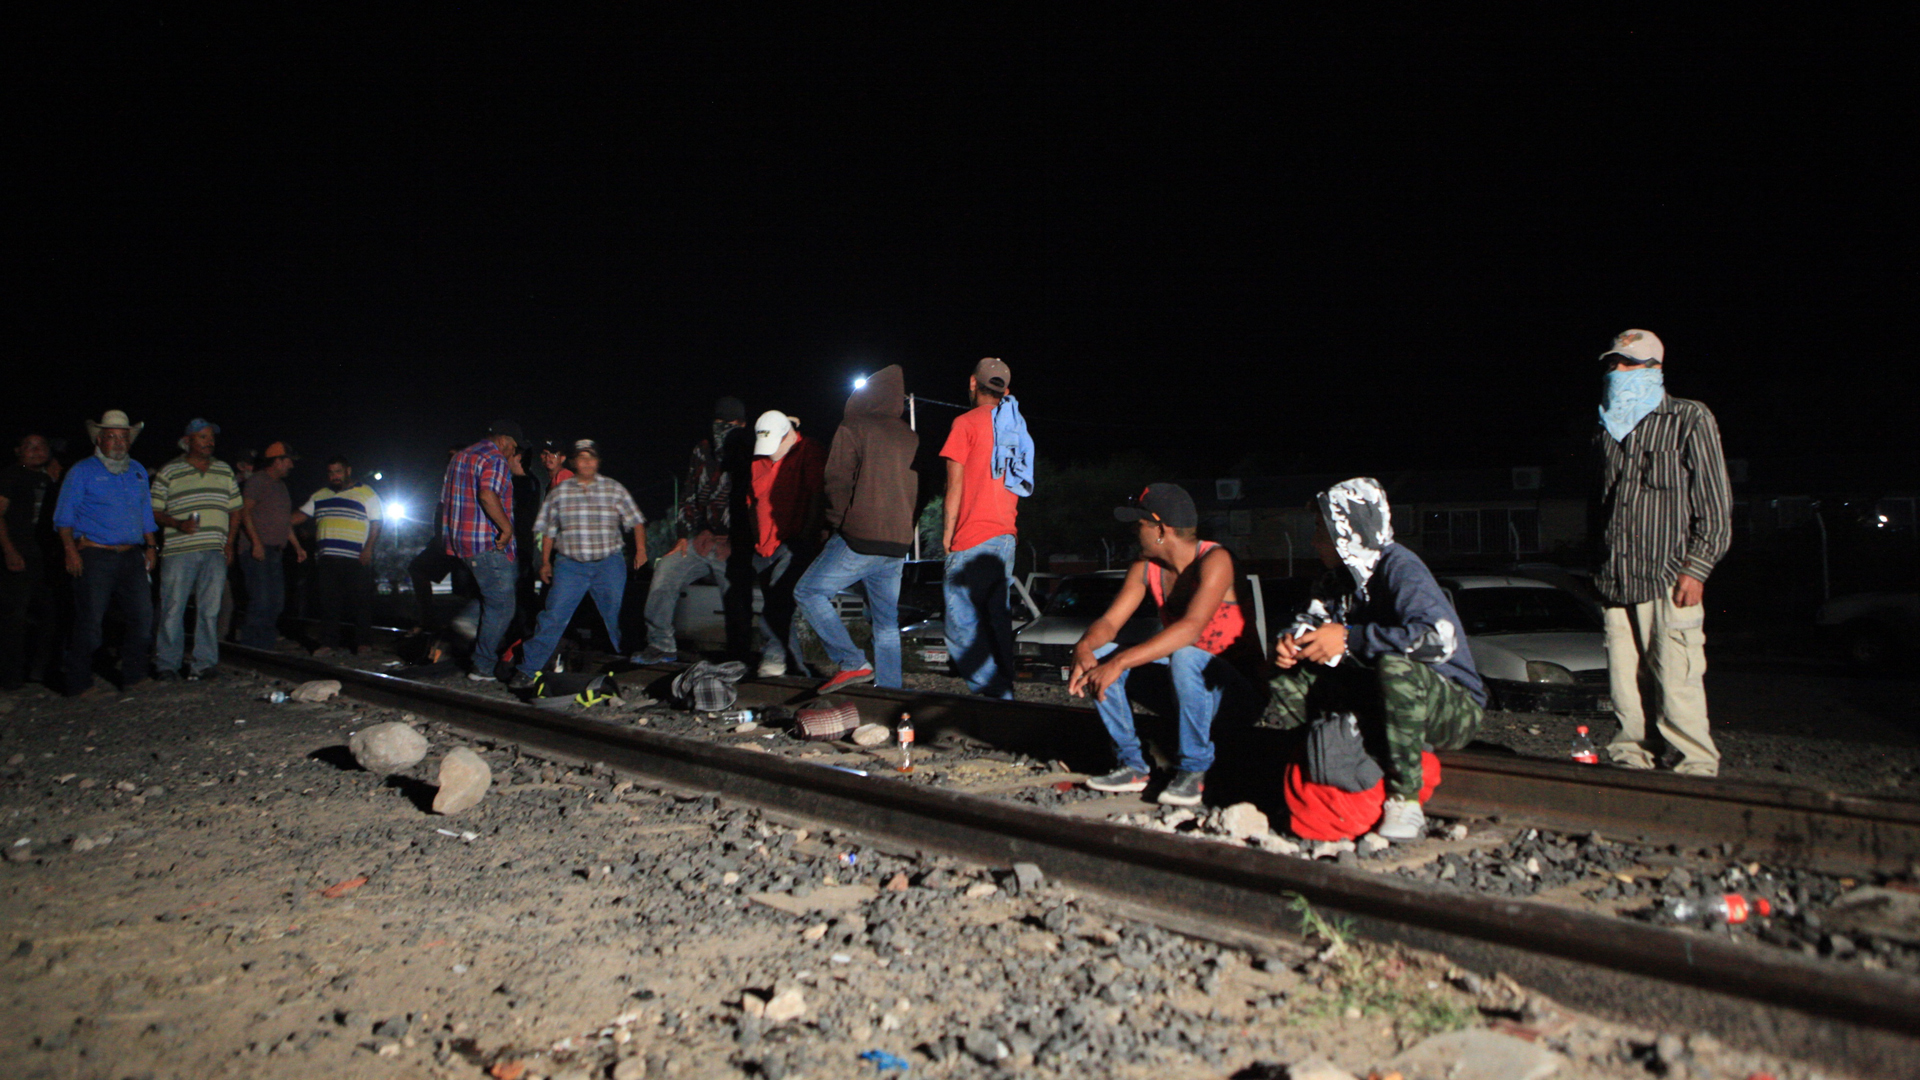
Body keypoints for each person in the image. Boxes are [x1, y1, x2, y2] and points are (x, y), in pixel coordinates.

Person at [1266, 478, 1486, 841]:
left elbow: (1439, 639)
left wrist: (1350, 639)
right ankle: (1311, 769)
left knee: (1395, 666)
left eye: (1322, 530)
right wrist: (1290, 645)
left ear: (1347, 529)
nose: (1314, 541)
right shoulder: (1336, 580)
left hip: (1451, 706)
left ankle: (1405, 801)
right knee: (1287, 676)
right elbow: (1309, 623)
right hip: (1378, 698)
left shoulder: (1399, 566)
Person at [1592, 329, 1732, 777]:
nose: (1616, 371)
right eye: (1612, 363)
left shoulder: (1689, 418)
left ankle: (1696, 767)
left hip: (1669, 574)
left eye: (1626, 363)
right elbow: (1601, 505)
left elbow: (1715, 506)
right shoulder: (1606, 428)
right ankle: (1632, 762)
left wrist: (1697, 568)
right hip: (1617, 578)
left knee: (1676, 677)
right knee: (1625, 685)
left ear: (1653, 367)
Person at [1072, 484, 1260, 807]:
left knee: (1183, 655)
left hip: (1234, 694)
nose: (1134, 532)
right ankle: (1132, 766)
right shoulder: (1144, 567)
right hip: (1185, 689)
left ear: (1160, 529)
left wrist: (1120, 662)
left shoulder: (1217, 560)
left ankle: (1194, 771)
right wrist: (1084, 648)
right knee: (1102, 656)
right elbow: (1109, 624)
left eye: (1139, 525)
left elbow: (1190, 630)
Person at [794, 366, 920, 692]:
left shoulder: (854, 426)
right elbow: (921, 489)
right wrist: (906, 527)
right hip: (897, 543)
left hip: (859, 536)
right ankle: (890, 692)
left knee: (808, 591)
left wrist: (837, 523)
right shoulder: (911, 436)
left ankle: (852, 662)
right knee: (886, 621)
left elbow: (836, 481)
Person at [507, 440, 647, 688]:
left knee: (617, 614)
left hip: (607, 561)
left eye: (590, 458)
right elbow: (549, 529)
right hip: (571, 563)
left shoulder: (613, 489)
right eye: (581, 458)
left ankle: (633, 666)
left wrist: (641, 550)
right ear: (574, 462)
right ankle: (528, 669)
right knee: (554, 615)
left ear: (597, 462)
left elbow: (636, 521)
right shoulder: (560, 491)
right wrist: (546, 562)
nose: (586, 463)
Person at [940, 357, 1034, 700]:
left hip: (972, 535)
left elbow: (955, 486)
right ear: (1005, 391)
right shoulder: (1016, 425)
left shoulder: (965, 423)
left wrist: (948, 535)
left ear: (972, 383)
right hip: (1005, 536)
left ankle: (996, 697)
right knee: (996, 623)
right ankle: (1004, 692)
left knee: (960, 627)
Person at [635, 397, 750, 664]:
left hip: (735, 544)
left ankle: (739, 657)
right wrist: (684, 536)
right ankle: (661, 644)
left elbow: (756, 503)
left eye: (730, 424)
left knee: (736, 596)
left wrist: (735, 541)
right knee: (665, 571)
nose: (722, 429)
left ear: (743, 425)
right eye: (718, 423)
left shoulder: (751, 452)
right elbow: (689, 494)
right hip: (703, 539)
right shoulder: (703, 450)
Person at [52, 410, 159, 696]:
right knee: (90, 622)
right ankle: (79, 682)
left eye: (123, 437)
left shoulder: (137, 470)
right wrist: (70, 552)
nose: (117, 442)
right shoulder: (82, 471)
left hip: (130, 555)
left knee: (143, 617)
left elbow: (145, 514)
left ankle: (134, 676)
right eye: (111, 436)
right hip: (95, 554)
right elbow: (64, 518)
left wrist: (150, 546)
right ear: (99, 439)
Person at [149, 418, 242, 681]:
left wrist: (230, 542)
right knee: (173, 608)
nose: (209, 442)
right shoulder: (170, 471)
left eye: (211, 437)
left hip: (214, 550)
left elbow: (235, 509)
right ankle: (167, 664)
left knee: (209, 610)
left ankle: (204, 664)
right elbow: (153, 510)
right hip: (179, 550)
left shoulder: (223, 470)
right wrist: (177, 523)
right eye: (202, 437)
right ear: (188, 440)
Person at [440, 419, 522, 680]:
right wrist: (506, 528)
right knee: (502, 605)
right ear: (505, 442)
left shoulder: (460, 457)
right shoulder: (495, 458)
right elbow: (487, 494)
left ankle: (471, 617)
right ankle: (483, 665)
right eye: (514, 449)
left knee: (495, 592)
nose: (513, 454)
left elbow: (445, 501)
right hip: (487, 541)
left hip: (461, 543)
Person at [747, 410, 826, 676]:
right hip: (763, 547)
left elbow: (817, 494)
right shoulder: (757, 461)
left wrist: (807, 534)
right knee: (779, 611)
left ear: (788, 435)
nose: (769, 453)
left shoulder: (809, 451)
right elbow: (751, 502)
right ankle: (796, 669)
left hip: (794, 542)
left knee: (777, 603)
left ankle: (773, 658)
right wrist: (755, 537)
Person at [290, 456, 384, 656]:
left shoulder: (366, 494)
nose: (334, 476)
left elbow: (376, 523)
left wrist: (368, 549)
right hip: (327, 557)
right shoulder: (320, 496)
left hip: (355, 556)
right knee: (328, 601)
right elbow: (299, 516)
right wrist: (278, 519)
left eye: (338, 472)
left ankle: (363, 643)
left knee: (360, 601)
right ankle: (328, 643)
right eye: (331, 472)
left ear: (348, 471)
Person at [0, 433, 65, 691]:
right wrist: (9, 550)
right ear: (18, 451)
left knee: (52, 614)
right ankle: (10, 677)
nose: (36, 451)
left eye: (42, 446)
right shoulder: (10, 476)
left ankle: (40, 671)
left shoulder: (49, 478)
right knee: (14, 617)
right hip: (19, 554)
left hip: (47, 557)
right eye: (30, 446)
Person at [237, 442, 307, 649]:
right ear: (277, 461)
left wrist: (297, 547)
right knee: (262, 599)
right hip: (256, 550)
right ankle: (252, 645)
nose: (291, 466)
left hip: (275, 550)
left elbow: (283, 521)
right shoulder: (258, 481)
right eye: (288, 461)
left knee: (276, 601)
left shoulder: (281, 486)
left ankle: (265, 644)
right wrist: (256, 543)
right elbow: (245, 512)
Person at [407, 445, 477, 633]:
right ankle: (428, 621)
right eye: (449, 458)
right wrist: (439, 540)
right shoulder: (449, 481)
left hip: (467, 544)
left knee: (468, 589)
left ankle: (473, 627)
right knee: (418, 568)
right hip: (445, 542)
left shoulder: (474, 480)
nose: (451, 462)